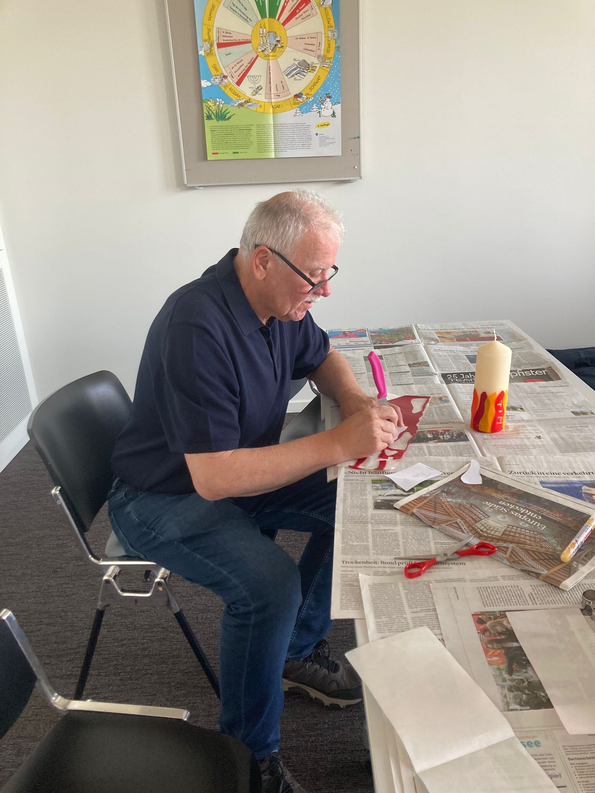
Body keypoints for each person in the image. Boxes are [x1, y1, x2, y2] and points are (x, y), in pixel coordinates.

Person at [107, 190, 402, 793]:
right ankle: (250, 758)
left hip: (241, 471)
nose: (325, 290)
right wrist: (338, 442)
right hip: (162, 496)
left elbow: (324, 356)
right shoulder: (197, 324)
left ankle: (293, 649)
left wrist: (353, 401)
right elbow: (214, 478)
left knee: (360, 503)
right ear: (263, 260)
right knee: (271, 587)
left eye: (330, 272)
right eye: (314, 275)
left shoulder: (279, 304)